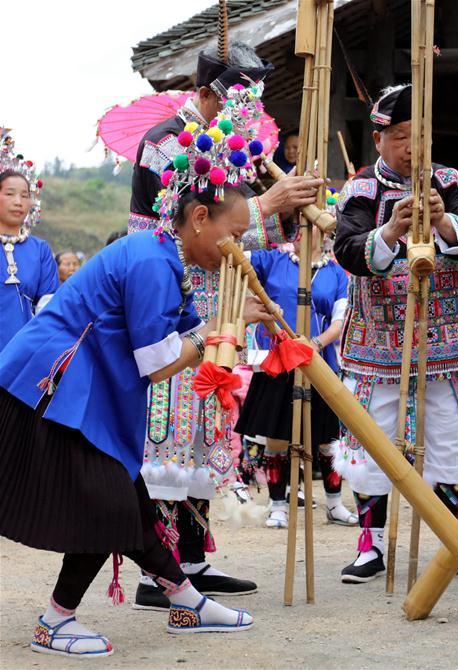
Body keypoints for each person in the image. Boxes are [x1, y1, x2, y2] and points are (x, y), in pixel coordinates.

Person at [0, 122, 277, 655]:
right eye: (235, 234)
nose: (236, 247)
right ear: (199, 218)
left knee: (130, 497)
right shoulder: (152, 259)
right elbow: (158, 362)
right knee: (108, 504)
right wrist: (227, 327)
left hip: (83, 387)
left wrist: (228, 321)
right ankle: (55, 620)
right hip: (58, 385)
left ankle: (186, 600)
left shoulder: (163, 254)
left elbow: (188, 328)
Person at [127, 46, 323, 610]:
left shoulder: (235, 149)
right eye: (238, 102)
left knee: (204, 433)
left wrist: (292, 208)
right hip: (174, 303)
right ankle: (156, 573)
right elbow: (183, 231)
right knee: (168, 433)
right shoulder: (168, 143)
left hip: (221, 307)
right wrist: (268, 205)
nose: (245, 116)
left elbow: (241, 231)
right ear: (209, 94)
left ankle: (189, 563)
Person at [332, 84, 458, 583]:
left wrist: (444, 224)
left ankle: (454, 541)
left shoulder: (451, 180)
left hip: (444, 339)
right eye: (399, 136)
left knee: (448, 438)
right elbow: (347, 250)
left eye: (418, 136)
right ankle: (370, 544)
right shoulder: (360, 190)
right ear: (379, 139)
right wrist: (390, 233)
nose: (410, 147)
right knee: (374, 443)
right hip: (377, 341)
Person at [235, 229, 358, 528]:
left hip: (318, 362)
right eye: (299, 224)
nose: (302, 231)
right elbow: (235, 256)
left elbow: (340, 321)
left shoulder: (337, 274)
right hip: (278, 360)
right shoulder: (273, 259)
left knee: (328, 439)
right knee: (277, 436)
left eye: (311, 225)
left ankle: (333, 504)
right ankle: (278, 506)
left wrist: (314, 345)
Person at [0, 134, 58, 351]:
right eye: (10, 194)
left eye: (25, 195)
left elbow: (48, 307)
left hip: (24, 356)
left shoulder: (40, 250)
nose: (18, 202)